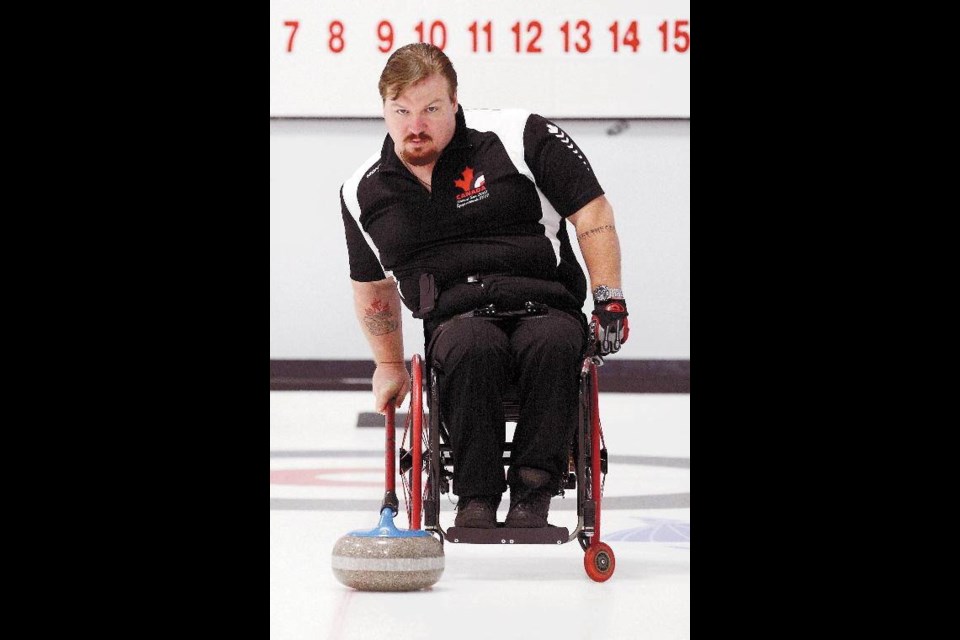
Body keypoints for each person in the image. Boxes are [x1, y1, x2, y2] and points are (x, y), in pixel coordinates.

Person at [340, 43, 628, 529]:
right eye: (402, 111)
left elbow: (591, 212)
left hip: (546, 303)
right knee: (471, 346)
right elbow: (372, 288)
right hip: (456, 320)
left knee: (554, 343)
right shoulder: (363, 190)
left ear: (455, 102)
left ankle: (533, 494)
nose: (416, 126)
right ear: (383, 109)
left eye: (431, 109)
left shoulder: (518, 135)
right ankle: (475, 498)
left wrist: (609, 298)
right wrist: (389, 364)